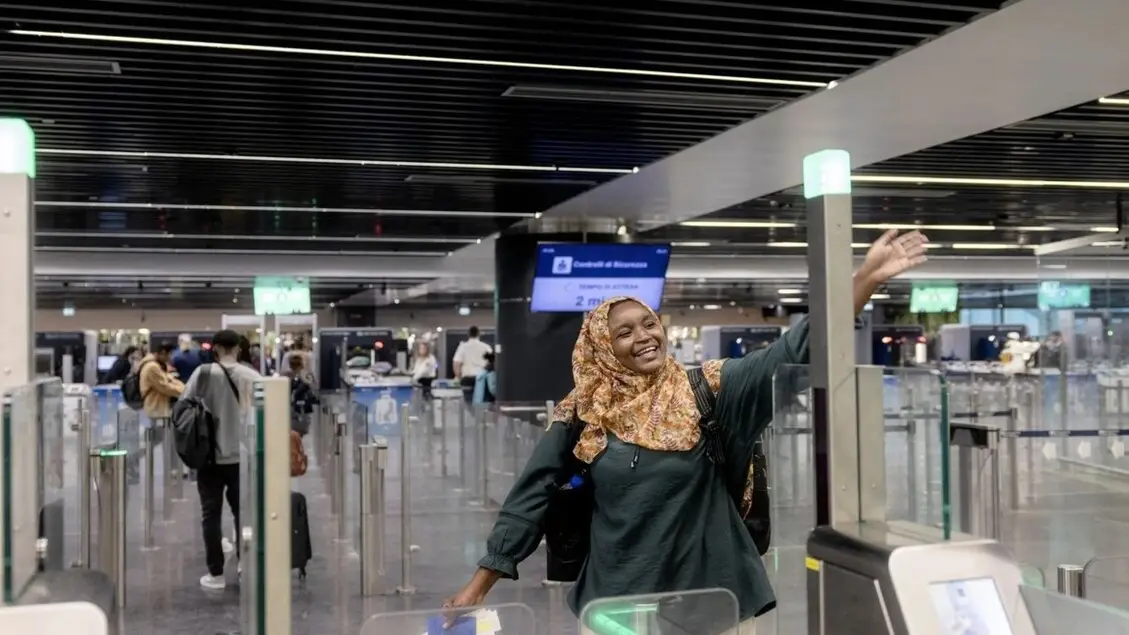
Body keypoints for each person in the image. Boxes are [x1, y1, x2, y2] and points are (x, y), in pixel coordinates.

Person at [445, 230, 929, 633]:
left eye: (649, 323)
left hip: (713, 604)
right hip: (618, 610)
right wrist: (478, 586)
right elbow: (531, 496)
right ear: (602, 349)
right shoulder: (585, 412)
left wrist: (864, 280)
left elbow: (792, 352)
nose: (644, 337)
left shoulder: (711, 390)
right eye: (624, 332)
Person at [180, 329, 263, 590]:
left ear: (215, 348)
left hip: (209, 457)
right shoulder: (252, 376)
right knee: (244, 514)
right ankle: (244, 567)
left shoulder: (203, 374)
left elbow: (183, 407)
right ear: (238, 349)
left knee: (210, 514)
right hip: (243, 457)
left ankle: (215, 574)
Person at [139, 341, 184, 421]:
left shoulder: (157, 365)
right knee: (157, 429)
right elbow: (165, 387)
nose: (171, 357)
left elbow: (168, 380)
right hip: (155, 409)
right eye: (170, 354)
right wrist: (185, 391)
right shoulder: (152, 367)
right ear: (163, 353)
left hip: (157, 408)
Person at [453, 326, 492, 404]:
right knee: (482, 403)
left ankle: (472, 411)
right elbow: (491, 362)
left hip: (467, 379)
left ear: (468, 334)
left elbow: (456, 364)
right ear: (479, 334)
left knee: (469, 404)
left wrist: (459, 377)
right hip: (482, 378)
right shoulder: (485, 347)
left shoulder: (463, 347)